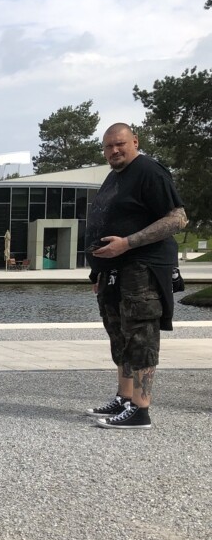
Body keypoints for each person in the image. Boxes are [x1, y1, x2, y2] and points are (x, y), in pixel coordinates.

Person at [85, 123, 188, 430]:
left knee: (141, 333)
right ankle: (124, 398)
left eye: (119, 144)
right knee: (120, 334)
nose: (114, 151)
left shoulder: (149, 171)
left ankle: (141, 410)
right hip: (114, 272)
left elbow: (178, 218)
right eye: (108, 147)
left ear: (134, 141)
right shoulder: (115, 176)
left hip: (142, 267)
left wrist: (127, 243)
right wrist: (97, 271)